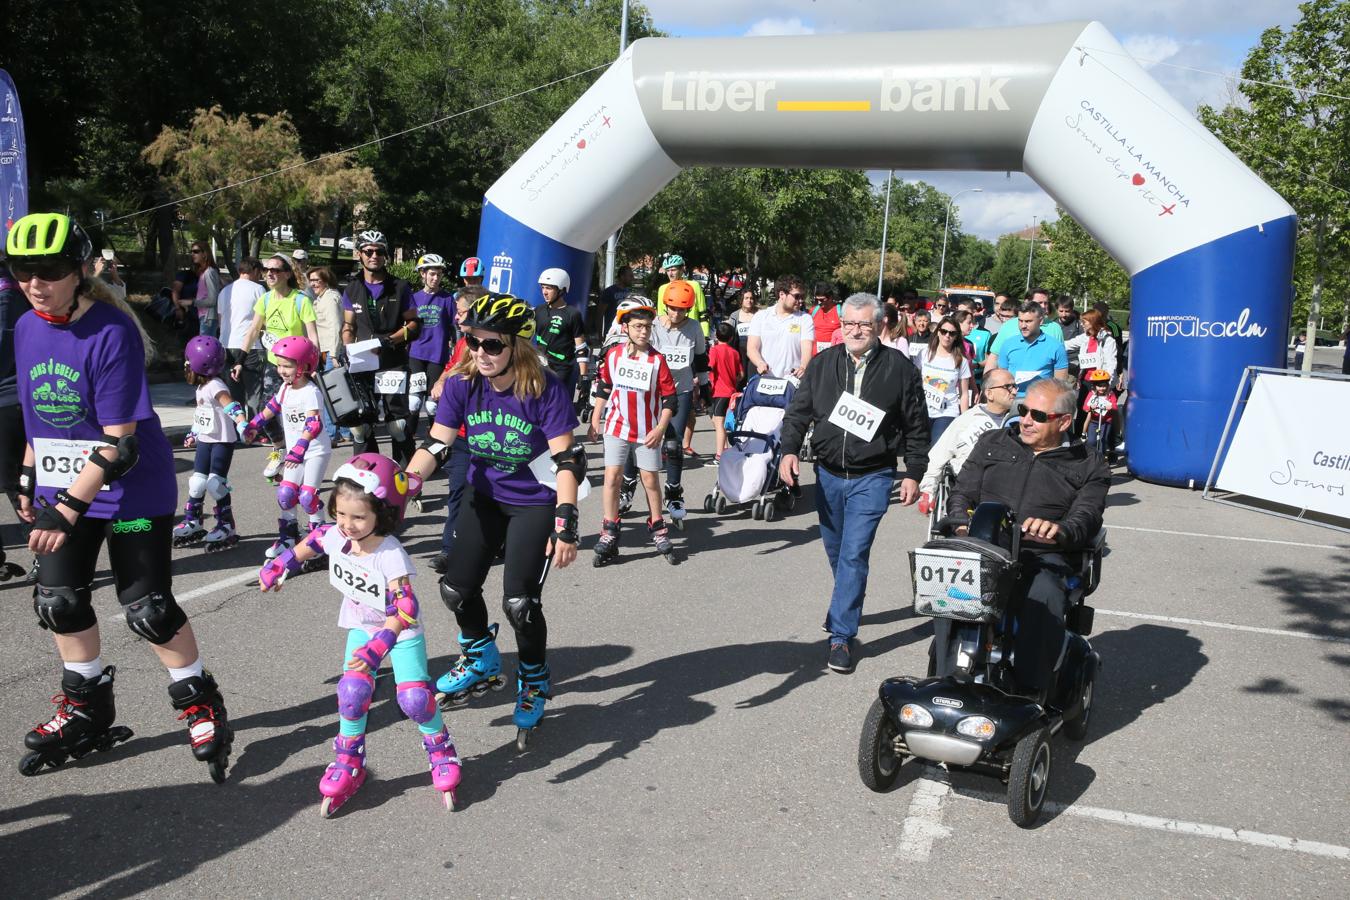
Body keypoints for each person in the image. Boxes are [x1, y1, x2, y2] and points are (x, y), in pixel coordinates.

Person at [8, 212, 232, 780]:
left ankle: (199, 700)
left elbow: (119, 445)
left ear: (80, 271)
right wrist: (30, 476)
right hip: (70, 486)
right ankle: (86, 706)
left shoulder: (110, 331)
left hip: (131, 491)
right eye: (22, 271)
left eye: (51, 271)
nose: (36, 283)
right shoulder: (27, 326)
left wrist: (65, 507)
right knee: (57, 600)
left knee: (147, 607)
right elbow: (42, 419)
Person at [404, 293, 581, 746]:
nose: (480, 353)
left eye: (492, 345)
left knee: (519, 604)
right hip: (484, 497)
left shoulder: (543, 388)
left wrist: (565, 520)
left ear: (517, 346)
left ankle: (535, 680)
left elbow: (567, 461)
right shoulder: (464, 383)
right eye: (472, 341)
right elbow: (438, 445)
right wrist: (403, 487)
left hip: (534, 503)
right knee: (455, 589)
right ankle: (480, 655)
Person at [258, 453, 460, 814]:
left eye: (358, 517)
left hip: (399, 633)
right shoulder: (337, 535)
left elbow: (405, 608)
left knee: (414, 699)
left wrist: (379, 645)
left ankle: (441, 750)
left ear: (382, 515)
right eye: (341, 514)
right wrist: (280, 566)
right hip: (360, 626)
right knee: (352, 693)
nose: (347, 525)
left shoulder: (388, 553)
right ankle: (349, 760)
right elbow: (314, 542)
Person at [778, 292, 930, 674]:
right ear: (840, 325)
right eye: (849, 323)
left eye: (864, 324)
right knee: (836, 551)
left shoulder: (900, 368)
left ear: (879, 326)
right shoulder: (823, 363)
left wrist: (913, 471)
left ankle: (841, 636)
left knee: (853, 553)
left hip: (874, 475)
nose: (856, 330)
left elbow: (916, 424)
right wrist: (789, 450)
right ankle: (845, 601)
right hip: (828, 474)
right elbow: (798, 413)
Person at [942, 377, 1110, 698]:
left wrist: (1060, 531)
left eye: (1038, 415)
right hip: (986, 544)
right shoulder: (993, 441)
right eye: (1023, 410)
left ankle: (1029, 693)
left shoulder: (1089, 463)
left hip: (1044, 554)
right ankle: (948, 676)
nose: (1026, 420)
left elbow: (1087, 516)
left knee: (1043, 595)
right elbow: (961, 492)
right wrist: (960, 522)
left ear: (1063, 421)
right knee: (946, 588)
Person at [588, 300, 677, 566]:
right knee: (612, 477)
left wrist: (661, 428)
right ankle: (609, 529)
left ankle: (658, 526)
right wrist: (595, 417)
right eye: (638, 327)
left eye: (648, 327)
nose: (643, 332)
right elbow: (604, 387)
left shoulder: (656, 360)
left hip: (647, 429)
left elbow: (670, 399)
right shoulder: (614, 355)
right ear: (625, 328)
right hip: (617, 425)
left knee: (650, 480)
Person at [241, 336, 331, 560]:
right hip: (295, 454)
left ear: (304, 366)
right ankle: (288, 537)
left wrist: (300, 447)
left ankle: (316, 538)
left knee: (308, 497)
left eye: (287, 366)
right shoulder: (285, 388)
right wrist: (254, 424)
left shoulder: (311, 391)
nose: (281, 370)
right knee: (286, 493)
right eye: (279, 365)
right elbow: (272, 407)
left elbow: (314, 423)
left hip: (314, 451)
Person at [232, 254, 320, 476]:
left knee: (298, 415)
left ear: (287, 274)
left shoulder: (301, 300)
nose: (269, 273)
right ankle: (280, 448)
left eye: (275, 270)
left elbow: (312, 334)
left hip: (299, 367)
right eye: (266, 269)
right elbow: (252, 331)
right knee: (266, 412)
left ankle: (304, 459)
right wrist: (240, 361)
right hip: (275, 364)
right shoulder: (265, 299)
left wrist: (314, 364)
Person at [341, 230, 419, 466]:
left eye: (379, 251)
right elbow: (348, 325)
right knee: (360, 426)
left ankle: (408, 481)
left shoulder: (400, 287)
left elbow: (414, 325)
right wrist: (347, 347)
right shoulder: (352, 288)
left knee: (398, 425)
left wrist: (390, 341)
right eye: (369, 251)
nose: (374, 255)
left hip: (392, 361)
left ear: (386, 255)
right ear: (360, 255)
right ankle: (367, 477)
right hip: (362, 363)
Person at [426, 286, 484, 574]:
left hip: (489, 436)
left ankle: (496, 543)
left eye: (462, 312)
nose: (457, 317)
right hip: (460, 434)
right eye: (458, 312)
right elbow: (453, 366)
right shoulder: (462, 342)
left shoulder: (489, 347)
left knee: (491, 495)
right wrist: (441, 380)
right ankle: (449, 550)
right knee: (458, 491)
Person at [639, 280, 706, 526]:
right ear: (665, 305)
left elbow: (700, 358)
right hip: (652, 391)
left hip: (681, 390)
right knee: (639, 439)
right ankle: (626, 485)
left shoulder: (694, 328)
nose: (677, 314)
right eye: (673, 308)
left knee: (674, 444)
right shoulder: (653, 325)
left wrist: (706, 387)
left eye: (682, 310)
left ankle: (674, 493)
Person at [174, 336, 249, 552]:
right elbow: (203, 415)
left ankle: (226, 525)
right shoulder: (202, 385)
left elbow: (230, 405)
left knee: (216, 484)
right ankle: (193, 521)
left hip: (222, 441)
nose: (185, 364)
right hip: (206, 440)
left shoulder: (215, 385)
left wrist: (242, 423)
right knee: (197, 483)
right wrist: (193, 433)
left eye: (187, 360)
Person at [917, 368, 1017, 512]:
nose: (1014, 391)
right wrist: (928, 490)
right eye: (1008, 387)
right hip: (971, 487)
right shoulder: (966, 421)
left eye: (1014, 386)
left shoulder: (1020, 422)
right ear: (989, 393)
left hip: (1009, 488)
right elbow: (939, 455)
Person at [0, 259, 32, 581]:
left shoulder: (6, 290)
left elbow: (2, 352)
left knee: (15, 482)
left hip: (7, 398)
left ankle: (43, 555)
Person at [408, 254, 456, 428]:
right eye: (432, 274)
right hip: (416, 353)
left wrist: (456, 351)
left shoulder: (447, 299)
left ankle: (434, 437)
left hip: (438, 355)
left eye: (439, 275)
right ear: (423, 274)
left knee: (432, 404)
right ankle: (408, 438)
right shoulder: (413, 298)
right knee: (413, 401)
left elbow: (454, 327)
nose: (436, 278)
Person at [988, 301, 1069, 397]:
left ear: (1040, 320)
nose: (1023, 326)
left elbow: (1060, 385)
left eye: (1028, 321)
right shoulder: (1008, 344)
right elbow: (1002, 378)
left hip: (1042, 404)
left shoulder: (1056, 347)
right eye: (1020, 321)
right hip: (1012, 402)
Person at [913, 315, 972, 443]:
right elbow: (913, 382)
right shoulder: (924, 354)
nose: (947, 336)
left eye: (952, 333)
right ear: (938, 332)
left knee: (937, 448)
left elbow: (964, 394)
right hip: (923, 410)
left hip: (947, 412)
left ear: (956, 336)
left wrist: (965, 419)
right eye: (944, 331)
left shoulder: (961, 361)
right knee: (919, 449)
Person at [532, 267, 588, 400]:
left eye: (549, 288)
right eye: (543, 287)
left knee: (554, 405)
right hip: (539, 364)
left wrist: (584, 376)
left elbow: (581, 348)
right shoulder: (538, 310)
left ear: (561, 290)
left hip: (561, 369)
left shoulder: (572, 314)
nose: (544, 292)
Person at [218, 257, 266, 410]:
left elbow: (220, 320)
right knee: (253, 394)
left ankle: (236, 430)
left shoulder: (225, 291)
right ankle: (253, 431)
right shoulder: (258, 289)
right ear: (255, 271)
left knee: (234, 396)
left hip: (226, 345)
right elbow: (263, 319)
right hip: (251, 347)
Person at [747, 274, 814, 379]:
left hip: (792, 382)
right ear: (782, 294)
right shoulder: (761, 316)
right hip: (765, 380)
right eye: (796, 296)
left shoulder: (805, 319)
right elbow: (752, 348)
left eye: (802, 297)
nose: (800, 300)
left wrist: (803, 367)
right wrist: (760, 363)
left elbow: (807, 348)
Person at [707, 321, 744, 459]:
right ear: (731, 338)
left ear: (716, 335)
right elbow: (741, 375)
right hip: (731, 391)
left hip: (719, 391)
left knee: (719, 424)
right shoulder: (734, 352)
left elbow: (710, 366)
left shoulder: (714, 350)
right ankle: (725, 448)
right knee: (718, 421)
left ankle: (719, 455)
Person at [656, 254, 709, 337]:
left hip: (692, 332)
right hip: (670, 334)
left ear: (681, 270)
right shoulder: (663, 289)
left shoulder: (694, 286)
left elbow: (703, 314)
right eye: (668, 270)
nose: (670, 273)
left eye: (673, 270)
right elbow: (661, 315)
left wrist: (705, 336)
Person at [1082, 369, 1119, 459]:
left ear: (1107, 385)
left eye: (1104, 386)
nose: (1102, 388)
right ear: (1094, 386)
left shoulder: (1110, 394)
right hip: (1094, 421)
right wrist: (1091, 407)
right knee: (1091, 441)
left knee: (1102, 440)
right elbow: (1085, 407)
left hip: (1106, 421)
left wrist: (1111, 407)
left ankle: (1101, 458)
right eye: (1099, 386)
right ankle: (1091, 456)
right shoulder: (1092, 394)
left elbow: (1115, 406)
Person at [189, 240, 223, 339]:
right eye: (192, 251)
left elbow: (212, 300)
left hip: (208, 318)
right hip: (205, 317)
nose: (193, 254)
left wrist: (192, 302)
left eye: (196, 251)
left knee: (207, 350)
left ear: (204, 254)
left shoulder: (209, 272)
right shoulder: (204, 272)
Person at [727, 288, 758, 380]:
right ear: (741, 300)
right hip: (740, 353)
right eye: (746, 298)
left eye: (751, 298)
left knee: (753, 377)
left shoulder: (759, 314)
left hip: (755, 352)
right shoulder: (735, 315)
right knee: (741, 377)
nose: (749, 300)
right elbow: (729, 334)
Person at [597, 264, 634, 334]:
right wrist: (600, 335)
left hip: (626, 332)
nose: (633, 278)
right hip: (612, 332)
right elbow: (600, 314)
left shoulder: (629, 292)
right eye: (630, 276)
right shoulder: (609, 291)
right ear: (622, 277)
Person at [810, 282, 841, 358]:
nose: (819, 303)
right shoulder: (813, 311)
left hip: (833, 356)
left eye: (822, 299)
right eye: (817, 300)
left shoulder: (840, 311)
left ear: (830, 298)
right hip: (815, 357)